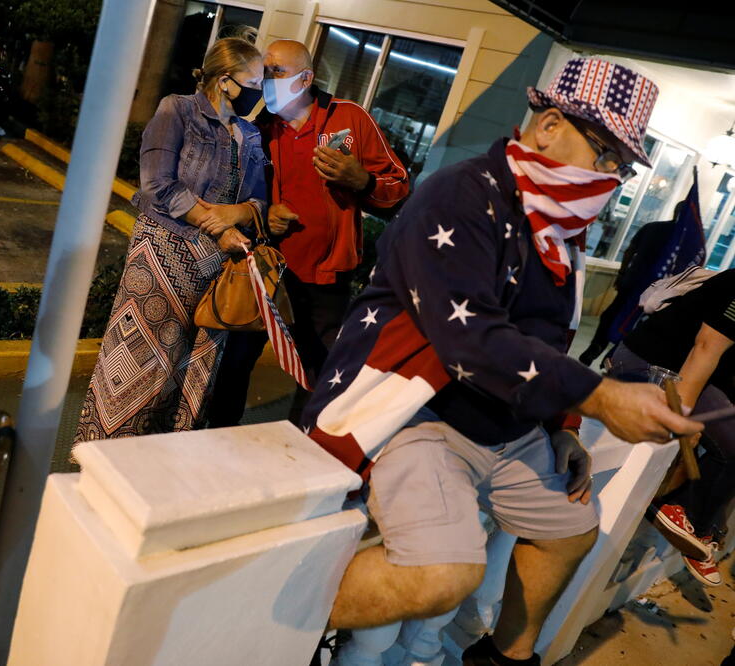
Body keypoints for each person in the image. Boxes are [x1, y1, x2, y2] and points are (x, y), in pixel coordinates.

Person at [299, 57, 702, 666]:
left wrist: (563, 424)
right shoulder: (460, 195)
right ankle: (282, 621)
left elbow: (549, 335)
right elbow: (472, 337)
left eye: (621, 164)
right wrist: (594, 397)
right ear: (549, 126)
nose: (612, 176)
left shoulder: (563, 228)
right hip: (419, 411)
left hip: (508, 424)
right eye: (605, 153)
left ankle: (507, 658)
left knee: (571, 531)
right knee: (444, 575)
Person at [208, 39, 410, 428]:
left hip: (325, 277)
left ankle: (302, 450)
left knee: (320, 374)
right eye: (263, 71)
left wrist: (363, 180)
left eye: (277, 72)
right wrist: (266, 215)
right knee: (233, 365)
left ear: (305, 79)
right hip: (265, 270)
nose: (267, 79)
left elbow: (398, 188)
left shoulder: (349, 119)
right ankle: (215, 440)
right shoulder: (257, 128)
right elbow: (237, 194)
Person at [74, 38, 267, 441]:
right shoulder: (177, 109)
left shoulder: (249, 135)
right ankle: (107, 453)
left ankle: (163, 458)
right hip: (164, 254)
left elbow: (259, 201)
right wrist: (217, 224)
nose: (260, 91)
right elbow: (157, 184)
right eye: (255, 81)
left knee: (191, 367)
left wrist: (240, 214)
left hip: (215, 266)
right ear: (227, 80)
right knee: (141, 359)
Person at [605, 268, 735, 587]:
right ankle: (683, 513)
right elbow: (705, 348)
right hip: (646, 361)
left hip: (687, 369)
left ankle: (701, 524)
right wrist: (682, 420)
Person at [578, 205, 681, 366]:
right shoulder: (683, 242)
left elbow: (630, 251)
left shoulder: (652, 227)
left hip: (633, 281)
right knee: (633, 325)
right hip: (655, 291)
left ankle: (596, 348)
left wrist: (622, 272)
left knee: (612, 315)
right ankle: (610, 358)